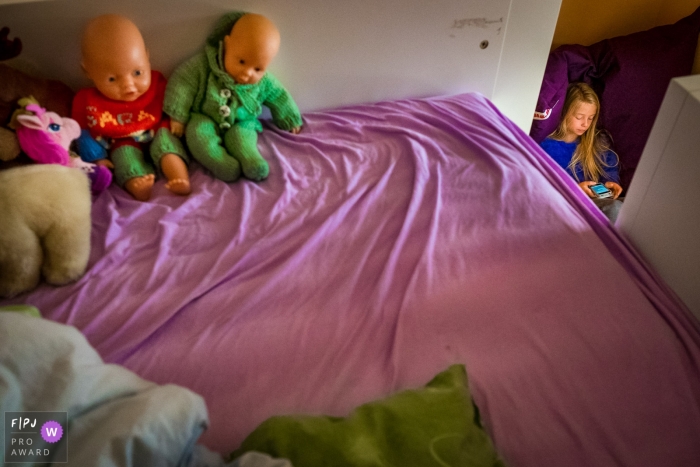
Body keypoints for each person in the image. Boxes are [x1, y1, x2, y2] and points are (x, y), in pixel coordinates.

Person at [163, 12, 303, 183]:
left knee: (242, 139)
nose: (247, 73)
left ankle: (251, 160)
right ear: (227, 44)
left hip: (242, 122)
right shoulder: (203, 65)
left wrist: (289, 118)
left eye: (258, 69)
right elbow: (183, 82)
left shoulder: (264, 82)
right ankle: (220, 163)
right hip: (205, 117)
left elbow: (279, 95)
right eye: (242, 62)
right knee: (199, 136)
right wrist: (178, 116)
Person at [72, 14, 191, 201]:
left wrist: (178, 118)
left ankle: (179, 177)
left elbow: (178, 100)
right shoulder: (86, 100)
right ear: (88, 71)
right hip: (121, 140)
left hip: (156, 128)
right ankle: (137, 185)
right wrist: (97, 159)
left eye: (137, 72)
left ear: (147, 57)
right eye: (112, 79)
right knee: (124, 158)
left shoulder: (158, 83)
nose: (129, 85)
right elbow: (83, 132)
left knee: (167, 145)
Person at [539, 82, 623, 222]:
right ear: (564, 112)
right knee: (615, 209)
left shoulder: (598, 142)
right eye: (579, 117)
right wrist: (575, 190)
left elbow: (609, 170)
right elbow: (539, 188)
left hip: (595, 204)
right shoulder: (544, 145)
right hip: (563, 207)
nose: (585, 123)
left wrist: (609, 184)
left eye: (591, 118)